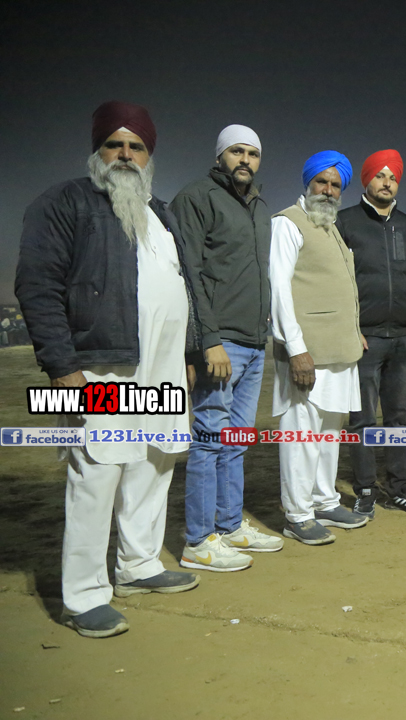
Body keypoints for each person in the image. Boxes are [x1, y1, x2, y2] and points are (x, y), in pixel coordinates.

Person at [16, 101, 200, 637]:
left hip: (164, 368)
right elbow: (38, 285)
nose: (124, 154)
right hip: (101, 366)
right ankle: (84, 595)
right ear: (97, 150)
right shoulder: (66, 202)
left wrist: (188, 354)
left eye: (135, 146)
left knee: (155, 462)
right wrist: (61, 365)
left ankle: (139, 565)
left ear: (149, 155)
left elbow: (182, 287)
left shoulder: (161, 213)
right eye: (113, 144)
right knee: (98, 469)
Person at [172, 124, 282, 572]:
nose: (245, 160)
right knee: (209, 440)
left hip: (254, 342)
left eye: (252, 154)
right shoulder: (196, 198)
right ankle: (199, 540)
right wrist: (207, 341)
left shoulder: (259, 206)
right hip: (221, 342)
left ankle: (230, 525)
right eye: (236, 151)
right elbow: (189, 273)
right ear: (220, 155)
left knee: (235, 442)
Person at [269, 151, 368, 545]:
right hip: (307, 351)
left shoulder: (330, 227)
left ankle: (324, 500)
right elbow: (279, 289)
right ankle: (297, 514)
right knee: (301, 434)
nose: (328, 190)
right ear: (308, 183)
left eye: (335, 185)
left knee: (329, 432)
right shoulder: (288, 222)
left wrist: (354, 331)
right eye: (321, 182)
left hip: (340, 350)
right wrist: (296, 348)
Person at [337, 150, 406, 518]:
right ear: (367, 180)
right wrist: (350, 328)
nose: (386, 183)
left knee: (398, 418)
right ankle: (365, 489)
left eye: (392, 177)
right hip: (364, 338)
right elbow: (337, 281)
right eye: (380, 175)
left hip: (405, 339)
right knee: (362, 418)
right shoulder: (344, 222)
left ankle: (400, 488)